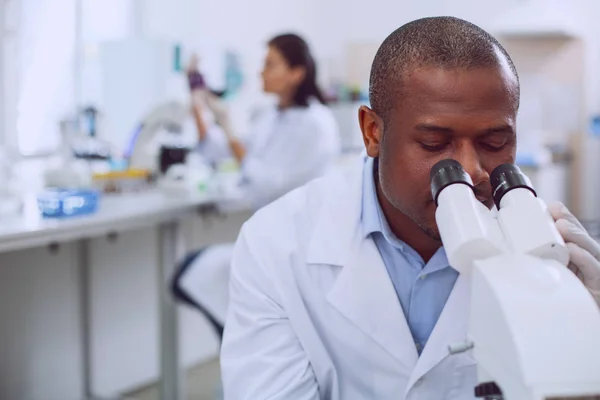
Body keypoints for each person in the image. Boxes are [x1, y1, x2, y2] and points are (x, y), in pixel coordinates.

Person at [220, 17, 600, 399]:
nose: (471, 171)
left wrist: (585, 335)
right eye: (435, 143)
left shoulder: (540, 249)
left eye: (495, 141)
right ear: (373, 132)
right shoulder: (275, 243)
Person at [172, 33, 341, 338]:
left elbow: (267, 183)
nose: (261, 72)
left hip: (296, 250)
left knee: (199, 277)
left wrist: (228, 127)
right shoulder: (272, 116)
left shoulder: (315, 124)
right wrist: (198, 98)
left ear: (296, 73)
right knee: (193, 279)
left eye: (270, 65)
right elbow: (216, 148)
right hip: (269, 240)